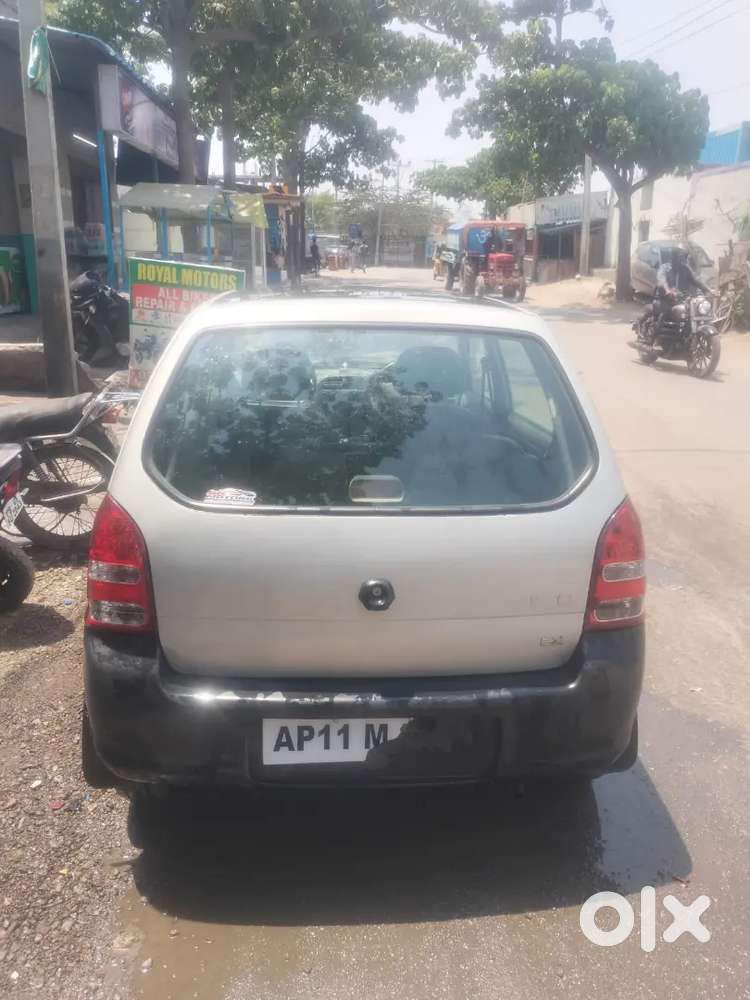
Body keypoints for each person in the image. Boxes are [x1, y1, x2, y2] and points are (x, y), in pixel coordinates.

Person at [654, 246, 713, 330]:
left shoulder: (685, 269)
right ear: (673, 257)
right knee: (664, 315)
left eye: (683, 257)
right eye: (679, 257)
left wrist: (708, 290)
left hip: (682, 299)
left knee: (692, 312)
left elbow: (696, 280)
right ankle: (656, 337)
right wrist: (668, 290)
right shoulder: (665, 268)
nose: (682, 259)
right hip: (665, 299)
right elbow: (662, 281)